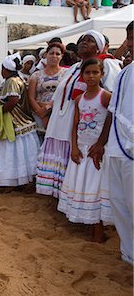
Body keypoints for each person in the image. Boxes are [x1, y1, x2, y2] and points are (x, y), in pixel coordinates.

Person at [36, 30, 121, 198]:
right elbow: (61, 95)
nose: (83, 42)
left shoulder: (107, 65)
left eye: (90, 40)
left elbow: (111, 100)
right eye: (82, 39)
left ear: (99, 48)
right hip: (60, 123)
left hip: (84, 128)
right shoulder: (75, 67)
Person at [91, 21, 133, 265]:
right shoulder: (126, 71)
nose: (131, 44)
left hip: (131, 150)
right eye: (129, 38)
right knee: (120, 203)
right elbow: (113, 110)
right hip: (117, 148)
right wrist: (101, 143)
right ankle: (129, 254)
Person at [57, 58, 112, 242]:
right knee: (82, 186)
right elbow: (75, 125)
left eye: (95, 72)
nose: (91, 76)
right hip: (81, 149)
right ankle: (88, 226)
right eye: (87, 73)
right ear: (82, 75)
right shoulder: (79, 99)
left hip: (96, 152)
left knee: (96, 189)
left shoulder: (105, 96)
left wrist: (101, 144)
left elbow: (111, 119)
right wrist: (74, 147)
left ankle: (98, 231)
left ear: (101, 74)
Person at [0, 53, 39, 191]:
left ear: (5, 69)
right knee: (19, 155)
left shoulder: (12, 81)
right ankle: (19, 182)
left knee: (9, 154)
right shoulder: (15, 80)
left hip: (15, 122)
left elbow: (12, 101)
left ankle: (10, 183)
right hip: (19, 121)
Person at [28, 43, 67, 135]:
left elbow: (66, 95)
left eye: (57, 54)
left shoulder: (67, 74)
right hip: (39, 114)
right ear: (46, 54)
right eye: (51, 53)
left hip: (59, 114)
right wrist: (42, 115)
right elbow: (31, 98)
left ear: (62, 56)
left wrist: (49, 108)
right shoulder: (36, 75)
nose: (54, 56)